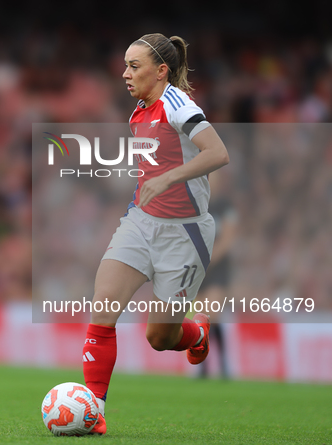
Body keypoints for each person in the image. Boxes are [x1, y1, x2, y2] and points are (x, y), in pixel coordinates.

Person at [82, 33, 229, 435]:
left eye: (134, 66)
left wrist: (168, 179)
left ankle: (196, 331)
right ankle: (93, 411)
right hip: (141, 223)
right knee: (103, 307)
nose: (125, 73)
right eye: (125, 65)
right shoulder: (138, 111)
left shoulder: (178, 105)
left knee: (160, 337)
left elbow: (218, 153)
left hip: (185, 234)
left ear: (161, 70)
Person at [196, 170, 238, 379]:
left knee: (212, 314)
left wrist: (209, 260)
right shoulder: (195, 206)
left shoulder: (225, 208)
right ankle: (205, 366)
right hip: (198, 269)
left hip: (216, 269)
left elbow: (228, 239)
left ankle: (220, 364)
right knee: (202, 317)